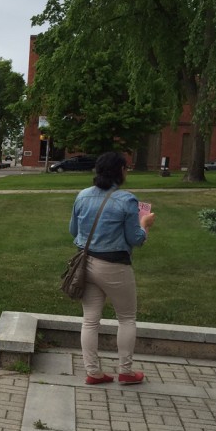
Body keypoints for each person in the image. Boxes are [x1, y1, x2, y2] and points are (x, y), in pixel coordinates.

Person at [69, 151, 155, 385]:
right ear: (120, 171)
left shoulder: (82, 196)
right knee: (127, 318)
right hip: (115, 265)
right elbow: (135, 238)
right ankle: (126, 371)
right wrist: (145, 225)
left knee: (90, 320)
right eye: (126, 168)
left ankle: (93, 372)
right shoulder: (127, 200)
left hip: (86, 264)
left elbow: (73, 231)